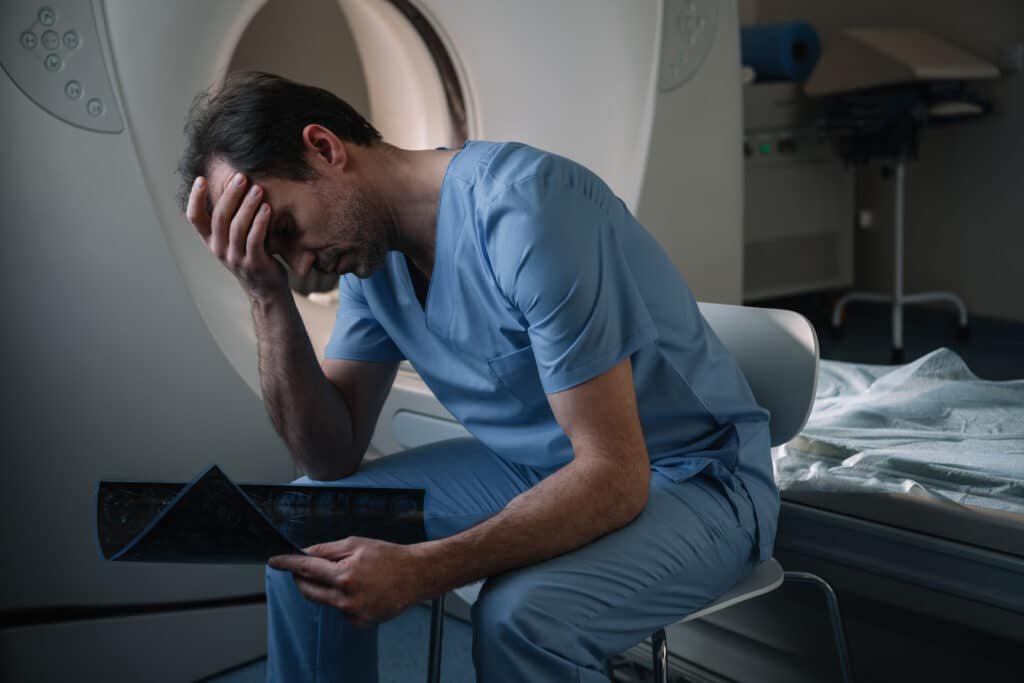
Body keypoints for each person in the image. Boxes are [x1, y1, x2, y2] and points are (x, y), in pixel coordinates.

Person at [178, 72, 778, 682]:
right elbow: (329, 456)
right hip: (544, 467)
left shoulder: (527, 211)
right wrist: (266, 293)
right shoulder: (371, 264)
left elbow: (616, 476)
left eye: (286, 231)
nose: (304, 265)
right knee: (299, 531)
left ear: (326, 148)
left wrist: (422, 568)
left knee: (519, 617)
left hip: (694, 476)